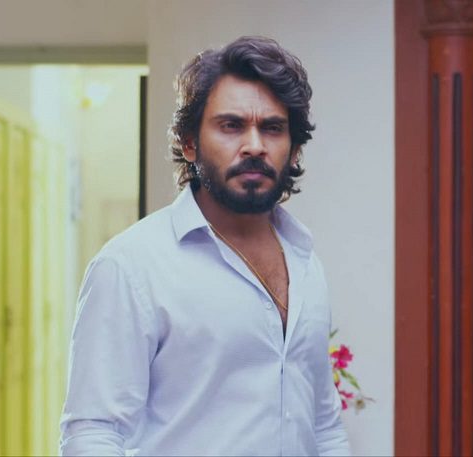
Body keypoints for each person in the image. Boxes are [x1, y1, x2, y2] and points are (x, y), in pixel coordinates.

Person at [59, 36, 350, 456]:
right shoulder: (131, 266)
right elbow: (93, 434)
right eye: (231, 125)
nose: (255, 145)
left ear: (294, 149)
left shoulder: (305, 262)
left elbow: (323, 426)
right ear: (190, 142)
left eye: (272, 128)